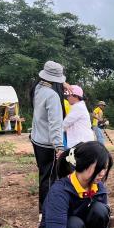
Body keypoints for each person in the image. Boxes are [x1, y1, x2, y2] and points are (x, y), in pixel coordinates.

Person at [30, 61, 67, 217]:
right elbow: (55, 123)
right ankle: (45, 211)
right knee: (50, 177)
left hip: (37, 139)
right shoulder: (52, 96)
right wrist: (59, 146)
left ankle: (43, 209)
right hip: (48, 144)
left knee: (44, 175)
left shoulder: (38, 89)